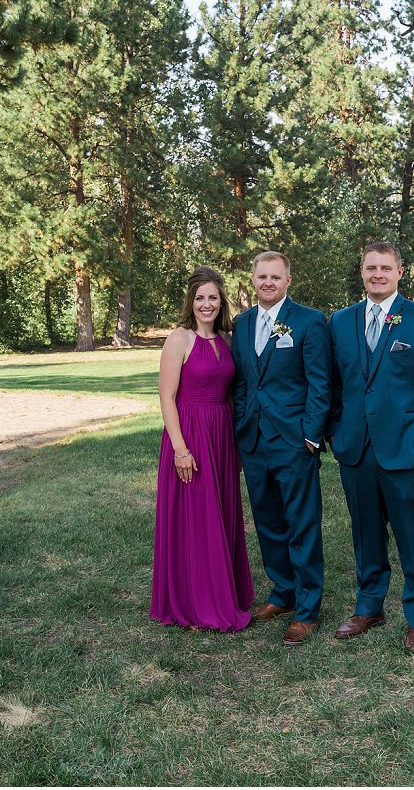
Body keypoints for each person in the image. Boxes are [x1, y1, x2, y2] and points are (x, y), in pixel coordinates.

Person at [327, 242, 414, 652]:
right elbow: (335, 384)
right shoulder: (341, 322)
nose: (377, 274)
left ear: (401, 272)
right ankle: (369, 606)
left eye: (385, 268)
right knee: (365, 534)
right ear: (361, 273)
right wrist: (335, 431)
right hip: (356, 450)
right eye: (370, 268)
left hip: (407, 450)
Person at [230, 250, 332, 646]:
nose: (268, 282)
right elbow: (242, 382)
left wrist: (310, 434)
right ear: (253, 280)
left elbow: (319, 383)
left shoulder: (309, 321)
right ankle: (284, 591)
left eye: (275, 277)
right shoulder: (242, 324)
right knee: (268, 521)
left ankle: (307, 609)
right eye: (261, 277)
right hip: (254, 439)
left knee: (301, 523)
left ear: (288, 280)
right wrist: (241, 424)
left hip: (294, 441)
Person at [150, 267, 254, 632]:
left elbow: (230, 392)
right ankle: (194, 606)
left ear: (220, 301)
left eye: (212, 297)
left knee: (221, 516)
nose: (206, 304)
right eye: (199, 298)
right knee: (195, 520)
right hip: (190, 436)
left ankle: (224, 594)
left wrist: (237, 446)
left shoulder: (226, 339)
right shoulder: (179, 339)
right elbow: (166, 396)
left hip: (221, 436)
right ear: (190, 302)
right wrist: (180, 449)